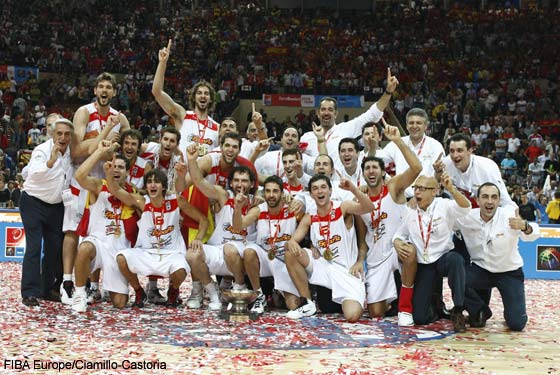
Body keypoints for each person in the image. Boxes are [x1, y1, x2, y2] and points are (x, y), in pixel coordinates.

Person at [60, 72, 130, 305]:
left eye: (108, 87)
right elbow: (77, 150)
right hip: (82, 181)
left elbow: (127, 151)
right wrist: (101, 143)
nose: (104, 90)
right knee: (72, 231)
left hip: (106, 185)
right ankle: (67, 282)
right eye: (100, 86)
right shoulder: (84, 112)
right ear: (95, 91)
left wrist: (109, 147)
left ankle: (92, 286)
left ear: (114, 92)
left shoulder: (120, 117)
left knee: (100, 233)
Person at [351, 120, 422, 326]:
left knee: (409, 253)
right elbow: (363, 237)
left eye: (375, 167)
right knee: (375, 313)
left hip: (396, 247)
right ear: (363, 174)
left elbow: (416, 168)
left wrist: (398, 141)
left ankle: (405, 308)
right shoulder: (360, 202)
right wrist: (359, 259)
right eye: (367, 168)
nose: (371, 171)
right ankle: (392, 297)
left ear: (383, 172)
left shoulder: (392, 187)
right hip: (375, 257)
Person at [111, 168, 208, 308]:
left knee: (181, 268)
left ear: (163, 186)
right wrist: (109, 173)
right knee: (121, 258)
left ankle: (173, 291)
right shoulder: (141, 201)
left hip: (171, 253)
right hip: (146, 252)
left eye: (157, 182)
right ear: (146, 187)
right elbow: (115, 190)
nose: (152, 185)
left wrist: (198, 238)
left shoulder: (176, 201)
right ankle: (139, 292)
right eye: (149, 182)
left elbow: (203, 220)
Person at [284, 175, 375, 322]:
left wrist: (352, 188)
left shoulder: (343, 207)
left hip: (347, 271)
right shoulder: (310, 217)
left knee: (352, 316)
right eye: (315, 188)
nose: (319, 191)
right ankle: (307, 303)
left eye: (323, 187)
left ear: (330, 191)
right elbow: (293, 241)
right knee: (290, 253)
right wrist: (292, 242)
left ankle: (353, 298)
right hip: (323, 266)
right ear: (311, 194)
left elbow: (369, 207)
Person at [454, 183, 540, 330]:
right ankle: (481, 310)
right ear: (478, 200)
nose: (489, 201)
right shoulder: (466, 218)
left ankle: (512, 313)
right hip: (481, 270)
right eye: (485, 197)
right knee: (457, 277)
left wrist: (525, 226)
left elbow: (533, 235)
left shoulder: (510, 215)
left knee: (517, 324)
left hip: (509, 272)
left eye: (494, 197)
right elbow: (444, 221)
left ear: (499, 200)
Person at [393, 174, 471, 332]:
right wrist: (398, 243)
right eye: (415, 188)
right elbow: (399, 234)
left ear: (435, 191)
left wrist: (452, 190)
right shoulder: (410, 210)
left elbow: (466, 207)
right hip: (424, 264)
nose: (417, 193)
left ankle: (458, 310)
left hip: (443, 258)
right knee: (421, 318)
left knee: (456, 260)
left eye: (422, 189)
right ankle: (436, 306)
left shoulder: (445, 205)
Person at [185, 144, 257, 310]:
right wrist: (192, 161)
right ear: (230, 183)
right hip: (219, 249)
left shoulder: (257, 200)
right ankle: (212, 292)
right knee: (192, 254)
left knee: (231, 249)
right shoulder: (223, 195)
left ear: (251, 183)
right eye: (237, 180)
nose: (240, 184)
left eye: (245, 181)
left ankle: (239, 288)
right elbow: (199, 182)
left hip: (244, 254)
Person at [71, 143, 138, 312]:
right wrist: (99, 152)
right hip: (98, 244)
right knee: (84, 247)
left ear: (128, 172)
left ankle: (110, 288)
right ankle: (80, 294)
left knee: (120, 303)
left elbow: (127, 199)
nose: (116, 170)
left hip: (119, 252)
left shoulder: (133, 193)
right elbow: (79, 176)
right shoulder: (98, 185)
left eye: (121, 167)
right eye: (113, 166)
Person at [20, 118, 74, 306]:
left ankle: (46, 289)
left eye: (67, 134)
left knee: (54, 249)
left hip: (56, 206)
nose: (63, 137)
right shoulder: (41, 150)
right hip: (33, 202)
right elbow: (32, 173)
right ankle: (29, 292)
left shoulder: (71, 152)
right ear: (52, 134)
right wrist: (51, 160)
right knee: (34, 246)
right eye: (59, 133)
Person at [231, 175, 300, 314]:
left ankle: (277, 294)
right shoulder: (259, 210)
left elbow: (306, 209)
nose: (271, 195)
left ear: (282, 193)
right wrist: (238, 208)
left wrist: (299, 202)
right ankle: (259, 295)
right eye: (268, 191)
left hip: (284, 260)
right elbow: (238, 226)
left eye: (275, 191)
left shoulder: (292, 207)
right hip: (265, 257)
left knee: (293, 305)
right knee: (249, 251)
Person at [299, 68, 398, 164]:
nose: (326, 113)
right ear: (318, 113)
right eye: (323, 109)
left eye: (330, 110)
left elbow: (372, 114)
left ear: (336, 114)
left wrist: (388, 92)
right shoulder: (306, 137)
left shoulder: (345, 129)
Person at [152, 39, 219, 158]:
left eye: (206, 94)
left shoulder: (217, 127)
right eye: (199, 93)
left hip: (204, 176)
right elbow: (157, 92)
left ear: (211, 99)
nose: (203, 96)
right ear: (193, 98)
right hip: (181, 173)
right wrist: (162, 63)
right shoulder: (183, 115)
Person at [434, 133, 514, 208]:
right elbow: (435, 187)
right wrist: (437, 172)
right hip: (458, 213)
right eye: (452, 151)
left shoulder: (487, 168)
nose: (455, 155)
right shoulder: (445, 163)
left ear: (470, 150)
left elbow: (505, 201)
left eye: (459, 150)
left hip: (483, 214)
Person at [383, 107, 445, 198]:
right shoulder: (396, 143)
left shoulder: (435, 146)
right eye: (411, 123)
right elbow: (377, 161)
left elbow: (439, 179)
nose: (414, 126)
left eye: (419, 123)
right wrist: (388, 179)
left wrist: (438, 172)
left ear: (426, 126)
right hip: (401, 198)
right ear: (407, 126)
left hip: (427, 199)